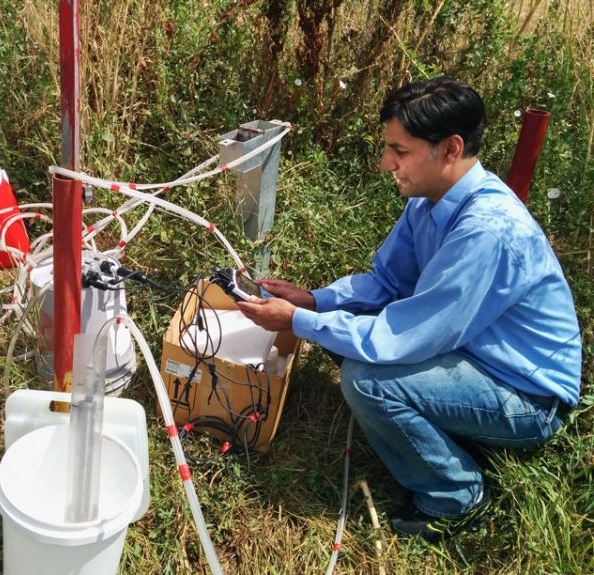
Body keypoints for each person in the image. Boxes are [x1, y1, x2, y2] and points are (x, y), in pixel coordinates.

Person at [236, 75, 581, 541]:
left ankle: (456, 495)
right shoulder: (431, 200)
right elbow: (387, 281)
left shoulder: (487, 230)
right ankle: (438, 428)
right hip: (473, 354)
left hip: (525, 395)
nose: (385, 164)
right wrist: (315, 300)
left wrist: (298, 320)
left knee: (367, 380)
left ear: (450, 148)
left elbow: (406, 335)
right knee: (348, 336)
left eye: (400, 151)